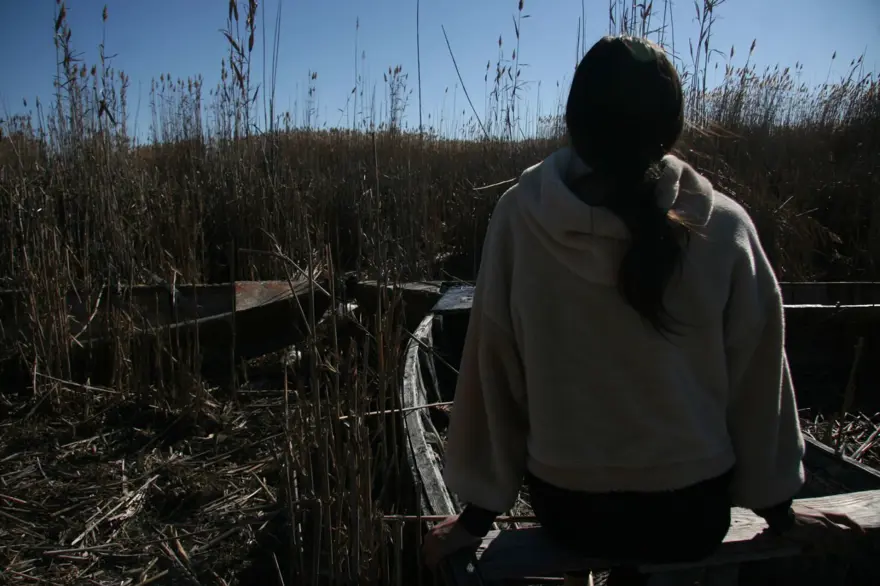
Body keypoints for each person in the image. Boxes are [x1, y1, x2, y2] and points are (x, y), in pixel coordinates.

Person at [421, 35, 863, 585]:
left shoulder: (519, 219)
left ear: (575, 121)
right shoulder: (725, 226)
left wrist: (475, 516)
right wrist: (779, 510)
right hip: (691, 515)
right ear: (670, 127)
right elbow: (759, 384)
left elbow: (495, 371)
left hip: (573, 513)